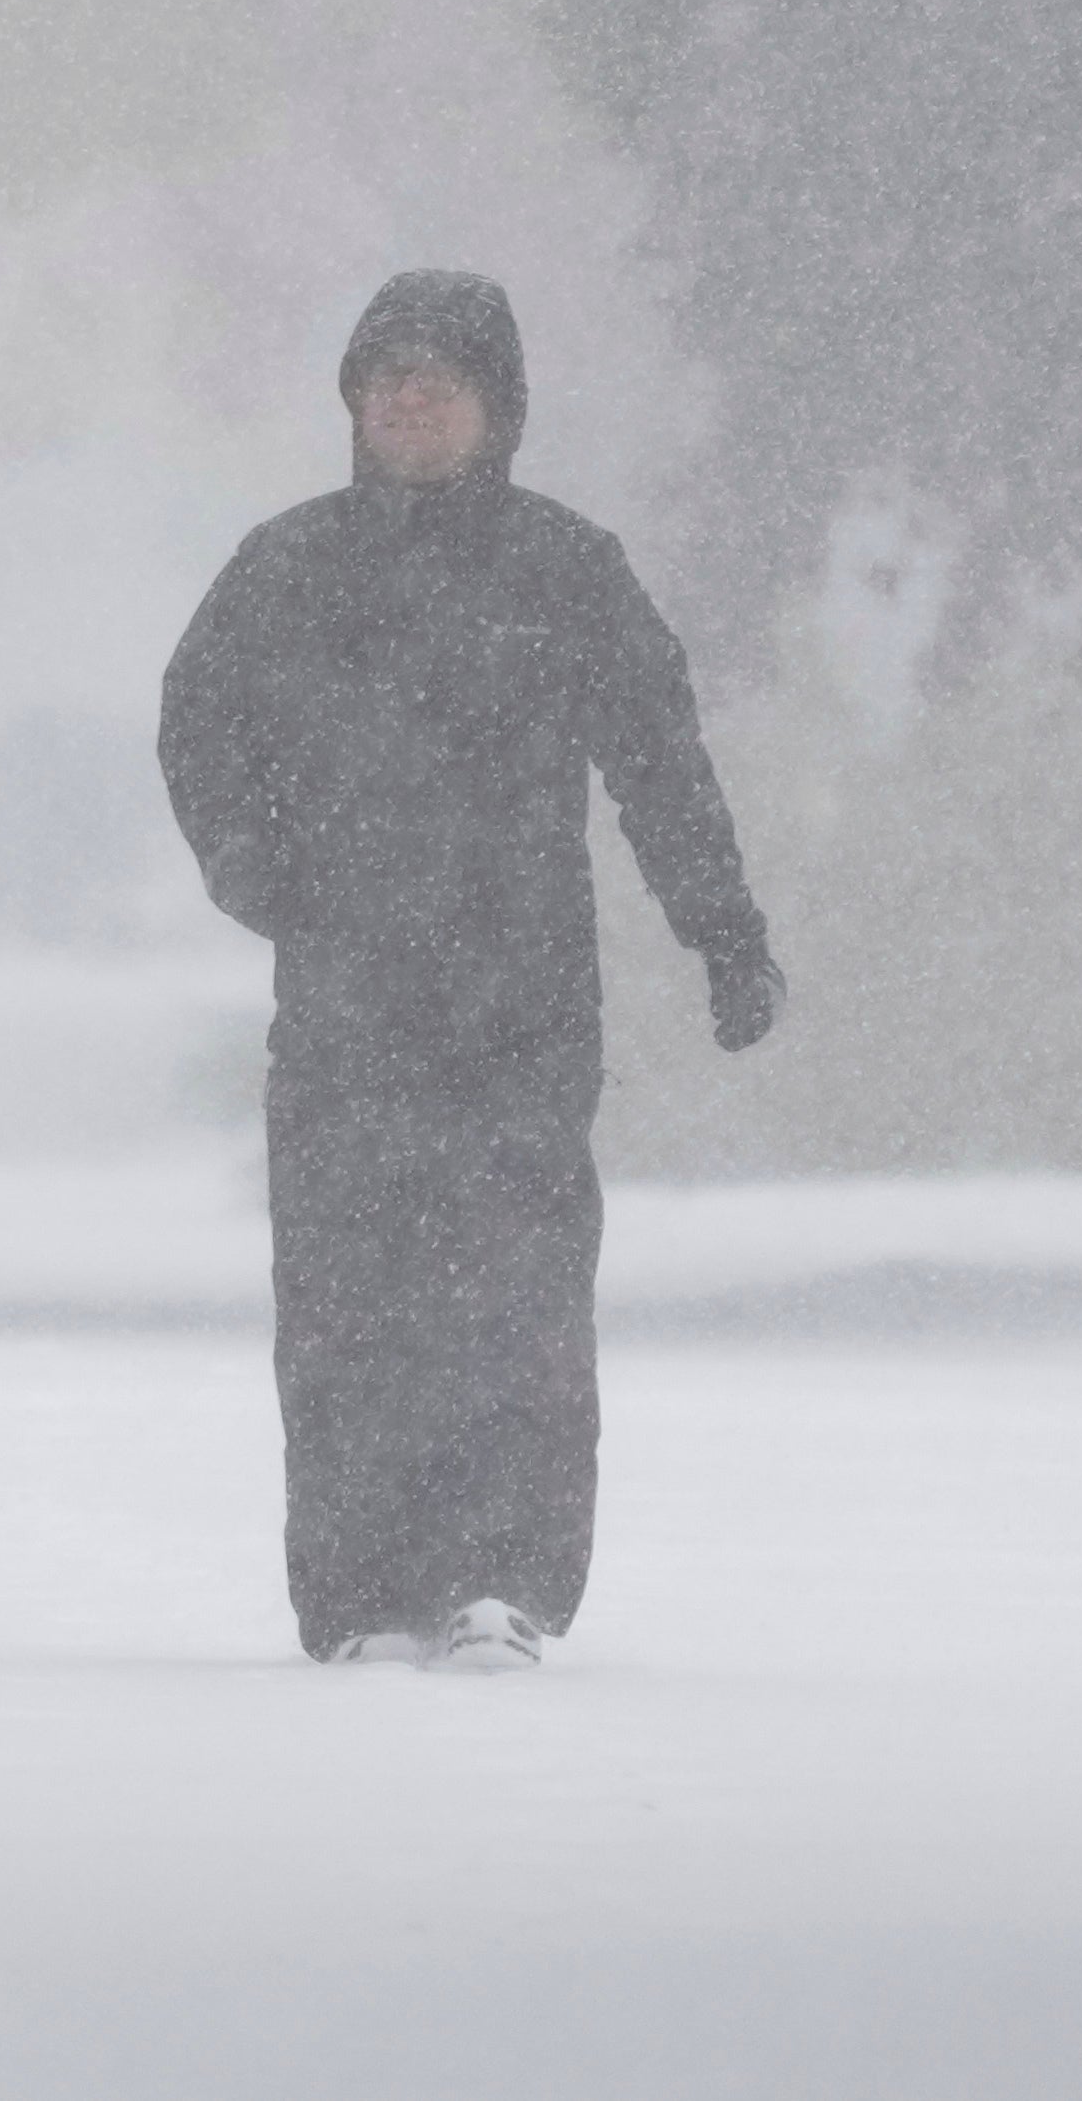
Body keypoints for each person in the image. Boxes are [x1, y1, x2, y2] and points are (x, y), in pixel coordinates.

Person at [155, 268, 783, 1671]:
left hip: (521, 1007)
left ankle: (504, 1583)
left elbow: (660, 769)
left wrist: (721, 930)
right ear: (353, 406)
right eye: (386, 377)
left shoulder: (567, 572)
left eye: (439, 376)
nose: (409, 398)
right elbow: (197, 733)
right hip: (343, 1008)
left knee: (518, 1308)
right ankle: (363, 1595)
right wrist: (259, 879)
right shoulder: (286, 569)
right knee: (344, 1307)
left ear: (496, 407)